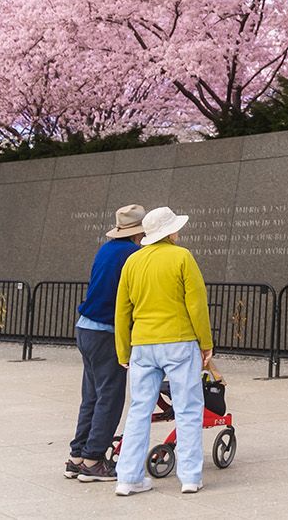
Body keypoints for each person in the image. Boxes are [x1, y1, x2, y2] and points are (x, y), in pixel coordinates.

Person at [113, 205, 220, 496]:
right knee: (188, 409)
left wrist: (123, 351)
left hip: (142, 344)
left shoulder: (133, 262)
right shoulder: (182, 257)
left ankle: (128, 477)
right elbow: (196, 304)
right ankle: (190, 476)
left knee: (139, 410)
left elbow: (122, 310)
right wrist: (206, 343)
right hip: (179, 341)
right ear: (170, 232)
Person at [66, 203, 145, 483]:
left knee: (91, 396)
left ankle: (77, 457)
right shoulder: (133, 254)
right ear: (139, 232)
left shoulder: (106, 249)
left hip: (85, 327)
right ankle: (94, 460)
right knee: (110, 397)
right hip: (106, 331)